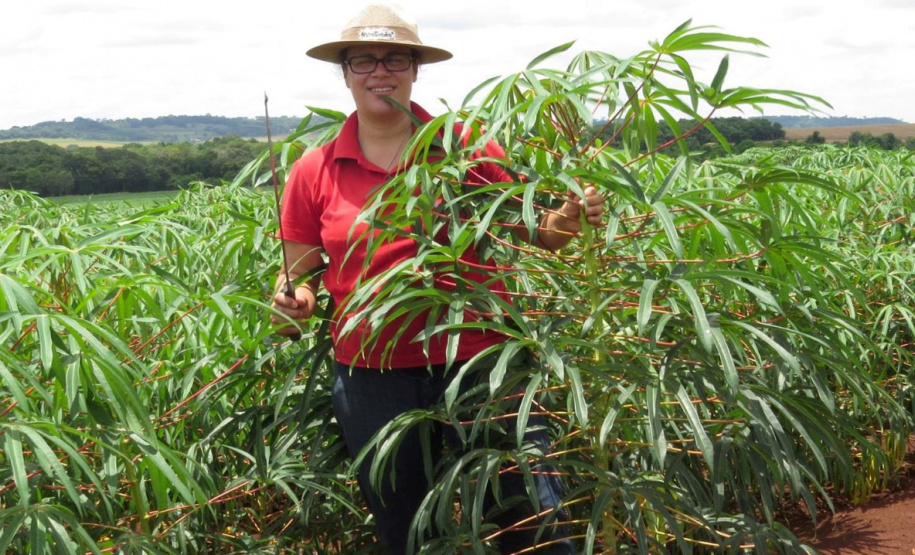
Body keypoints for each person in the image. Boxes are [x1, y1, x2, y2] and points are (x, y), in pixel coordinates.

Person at [270, 4, 603, 553]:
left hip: (482, 364)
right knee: (405, 529)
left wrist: (572, 215)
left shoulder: (467, 147)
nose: (381, 71)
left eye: (395, 58)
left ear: (416, 68)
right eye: (363, 60)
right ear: (346, 72)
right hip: (372, 374)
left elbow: (541, 233)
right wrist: (295, 299)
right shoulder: (317, 168)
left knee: (530, 523)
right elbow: (299, 271)